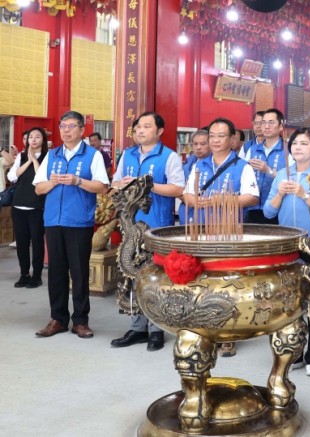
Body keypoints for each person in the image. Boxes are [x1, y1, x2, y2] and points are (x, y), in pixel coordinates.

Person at [183, 118, 260, 357]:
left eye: (221, 136)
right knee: (202, 280)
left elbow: (252, 197)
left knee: (227, 282)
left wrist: (221, 200)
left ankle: (228, 334)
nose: (215, 140)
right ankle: (206, 329)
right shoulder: (198, 165)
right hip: (201, 229)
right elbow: (186, 195)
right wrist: (194, 201)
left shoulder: (242, 166)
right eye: (212, 136)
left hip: (228, 232)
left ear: (232, 139)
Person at [264, 127, 310, 377]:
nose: (297, 147)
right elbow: (268, 212)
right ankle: (294, 351)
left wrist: (304, 194)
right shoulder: (283, 175)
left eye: (304, 144)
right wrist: (281, 194)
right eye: (295, 143)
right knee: (289, 301)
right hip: (288, 245)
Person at [110, 112, 186, 352]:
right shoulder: (128, 154)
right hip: (130, 225)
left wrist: (148, 184)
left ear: (159, 131)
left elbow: (177, 189)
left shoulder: (169, 156)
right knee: (132, 275)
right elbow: (115, 184)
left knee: (155, 277)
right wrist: (122, 185)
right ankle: (137, 328)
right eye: (137, 127)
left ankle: (156, 329)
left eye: (146, 126)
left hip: (157, 226)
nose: (140, 131)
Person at [32, 111, 110, 339]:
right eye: (63, 126)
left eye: (71, 126)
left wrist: (77, 181)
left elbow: (102, 187)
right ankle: (57, 319)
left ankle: (80, 321)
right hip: (53, 221)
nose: (66, 130)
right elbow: (38, 189)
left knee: (79, 271)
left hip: (79, 221)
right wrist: (51, 182)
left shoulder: (93, 155)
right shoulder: (53, 155)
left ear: (82, 130)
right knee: (55, 272)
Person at [8, 127, 48, 289]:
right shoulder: (22, 157)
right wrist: (29, 161)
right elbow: (12, 176)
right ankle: (24, 274)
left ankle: (36, 276)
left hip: (36, 206)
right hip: (18, 205)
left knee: (37, 243)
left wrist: (36, 161)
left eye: (37, 137)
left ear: (43, 140)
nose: (33, 139)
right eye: (30, 136)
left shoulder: (48, 157)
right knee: (22, 243)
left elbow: (42, 179)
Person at [242, 108, 287, 224]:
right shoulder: (251, 150)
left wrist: (268, 170)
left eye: (271, 123)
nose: (266, 126)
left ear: (281, 126)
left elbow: (291, 180)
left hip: (278, 207)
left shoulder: (288, 150)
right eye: (264, 123)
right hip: (252, 208)